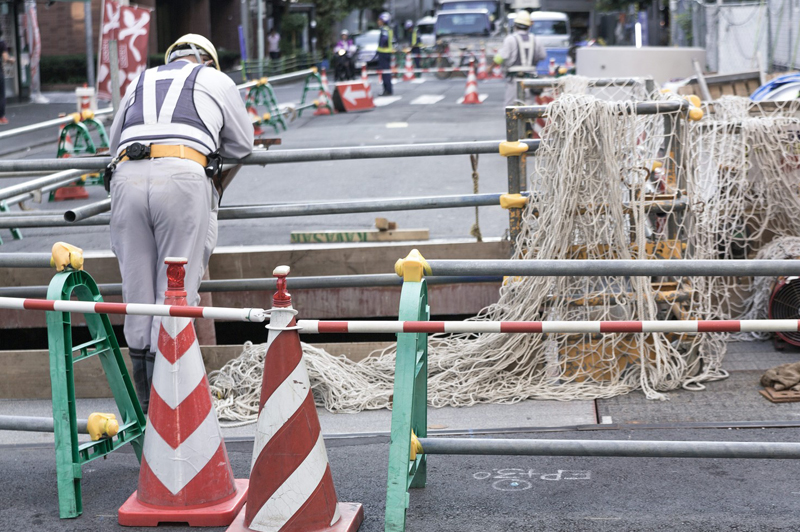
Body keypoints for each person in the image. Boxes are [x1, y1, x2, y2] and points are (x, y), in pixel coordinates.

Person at [106, 34, 253, 413]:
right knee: (176, 290)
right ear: (207, 60)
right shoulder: (216, 80)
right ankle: (172, 406)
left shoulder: (138, 80)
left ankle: (142, 407)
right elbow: (242, 145)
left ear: (170, 58)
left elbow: (113, 143)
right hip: (184, 175)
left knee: (136, 294)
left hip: (126, 175)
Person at [494, 11, 546, 107]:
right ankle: (529, 122)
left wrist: (490, 67)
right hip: (531, 80)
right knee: (529, 108)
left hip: (514, 80)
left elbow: (501, 57)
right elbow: (542, 56)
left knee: (511, 107)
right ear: (529, 26)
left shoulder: (510, 39)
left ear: (515, 25)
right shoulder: (536, 40)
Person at [376, 12, 394, 96]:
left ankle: (387, 90)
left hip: (383, 53)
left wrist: (382, 46)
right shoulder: (389, 29)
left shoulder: (384, 29)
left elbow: (385, 39)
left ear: (383, 21)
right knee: (387, 72)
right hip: (387, 53)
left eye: (379, 20)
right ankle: (388, 89)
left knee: (385, 73)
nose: (378, 21)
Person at [0, 28, 15, 125]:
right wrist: (11, 59)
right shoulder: (2, 43)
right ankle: (1, 117)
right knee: (1, 95)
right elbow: (6, 58)